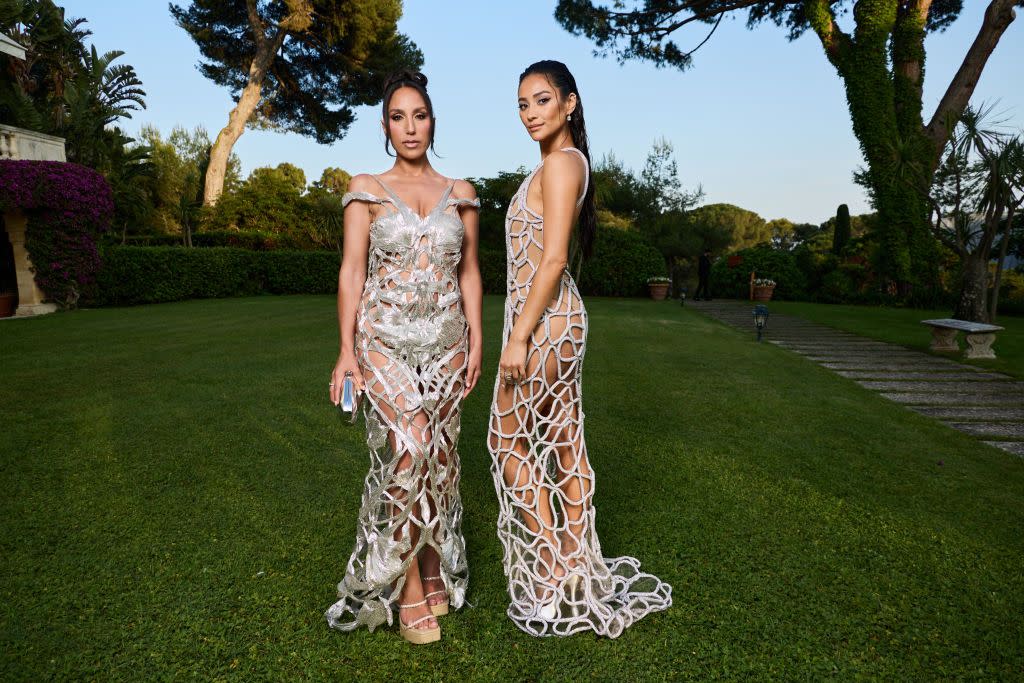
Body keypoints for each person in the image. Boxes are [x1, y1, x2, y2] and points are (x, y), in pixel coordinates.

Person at [486, 60, 672, 638]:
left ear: (570, 103)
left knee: (506, 438)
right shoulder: (554, 164)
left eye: (541, 100)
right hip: (554, 321)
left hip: (546, 324)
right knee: (563, 443)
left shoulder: (563, 164)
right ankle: (574, 564)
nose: (530, 113)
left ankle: (549, 572)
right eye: (522, 104)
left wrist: (518, 335)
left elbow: (554, 259)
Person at [325, 71, 482, 645]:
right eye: (398, 116)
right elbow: (351, 270)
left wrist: (478, 341)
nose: (410, 126)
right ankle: (408, 583)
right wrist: (346, 349)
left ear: (432, 121)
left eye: (419, 115)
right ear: (385, 126)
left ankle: (435, 560)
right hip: (383, 341)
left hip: (446, 342)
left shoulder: (460, 191)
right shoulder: (365, 187)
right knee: (408, 453)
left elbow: (469, 272)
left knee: (440, 458)